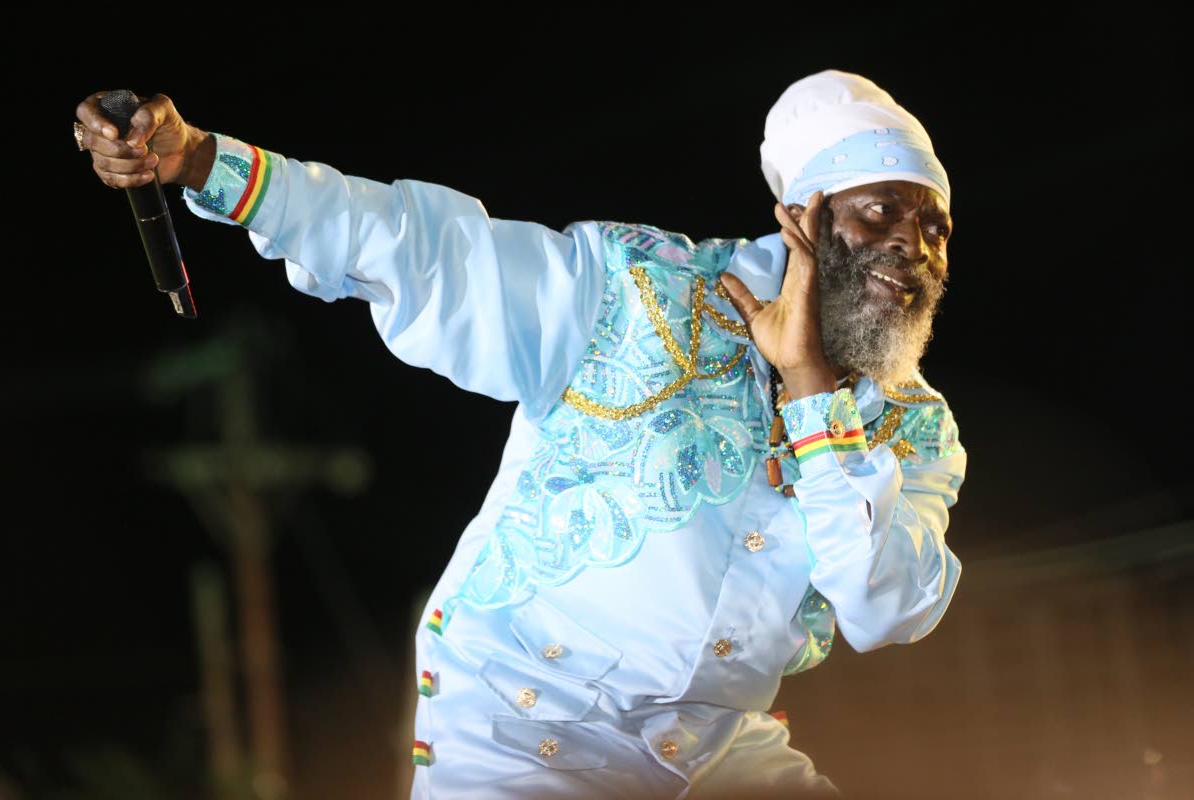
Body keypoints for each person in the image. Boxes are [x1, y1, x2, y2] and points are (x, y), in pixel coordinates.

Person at [75, 68, 965, 799]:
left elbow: (888, 607)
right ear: (804, 217)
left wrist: (810, 389)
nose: (913, 246)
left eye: (934, 228)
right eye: (880, 210)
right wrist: (198, 160)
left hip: (713, 752)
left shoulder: (916, 429)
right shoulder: (637, 290)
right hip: (523, 728)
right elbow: (418, 248)